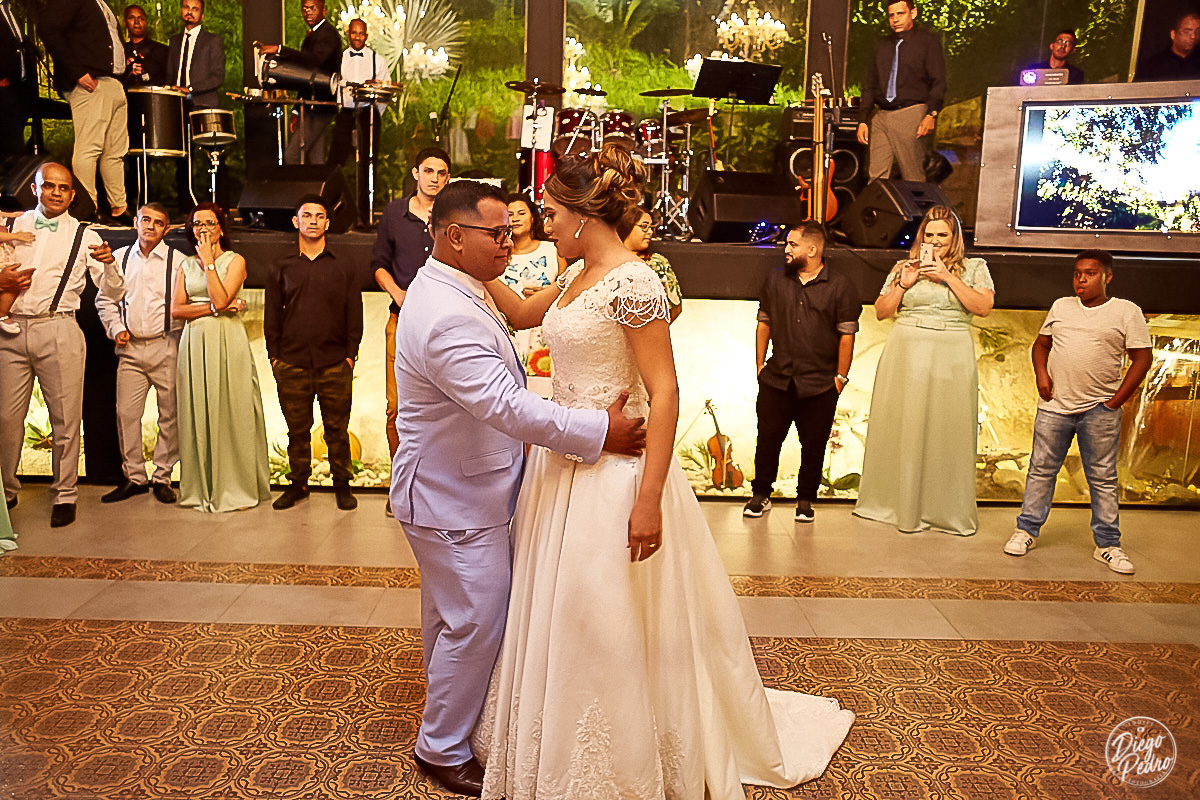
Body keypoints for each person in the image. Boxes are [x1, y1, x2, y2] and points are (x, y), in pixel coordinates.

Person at [477, 145, 854, 800]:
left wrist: (648, 498)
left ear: (583, 215)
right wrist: (465, 264)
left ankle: (624, 755)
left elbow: (666, 391)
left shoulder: (634, 282)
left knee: (609, 614)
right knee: (564, 612)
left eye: (552, 212)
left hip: (616, 473)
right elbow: (521, 313)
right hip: (562, 466)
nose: (544, 223)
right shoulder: (574, 274)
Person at [388, 178, 647, 797]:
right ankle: (440, 748)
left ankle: (450, 723)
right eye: (497, 233)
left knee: (451, 618)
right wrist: (598, 430)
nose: (510, 242)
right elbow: (505, 405)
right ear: (455, 237)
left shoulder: (456, 283)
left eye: (512, 230)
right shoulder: (446, 314)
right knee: (476, 620)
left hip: (453, 486)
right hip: (451, 497)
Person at [1006, 250, 1152, 574]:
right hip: (1055, 407)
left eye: (1090, 273)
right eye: (1077, 273)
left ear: (1107, 277)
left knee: (1102, 477)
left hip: (1100, 409)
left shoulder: (1126, 311)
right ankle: (1026, 530)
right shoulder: (1061, 306)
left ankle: (1108, 545)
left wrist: (1116, 401)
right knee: (1041, 470)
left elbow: (1142, 358)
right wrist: (1041, 375)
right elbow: (1041, 344)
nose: (1081, 279)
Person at [854, 205, 994, 536]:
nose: (934, 240)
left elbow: (983, 307)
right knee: (902, 423)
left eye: (942, 235)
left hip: (951, 352)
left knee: (948, 426)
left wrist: (946, 276)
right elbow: (881, 311)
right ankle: (896, 504)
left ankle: (943, 509)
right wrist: (903, 285)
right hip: (906, 350)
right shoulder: (904, 266)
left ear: (954, 238)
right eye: (929, 234)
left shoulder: (974, 267)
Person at [0, 163, 123, 528]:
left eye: (63, 188)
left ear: (72, 195)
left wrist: (110, 265)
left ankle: (65, 493)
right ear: (35, 189)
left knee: (66, 419)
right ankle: (6, 490)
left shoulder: (85, 235)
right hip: (10, 329)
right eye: (48, 186)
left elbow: (114, 291)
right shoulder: (12, 227)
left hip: (59, 328)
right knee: (6, 419)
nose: (56, 192)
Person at [743, 222, 859, 523]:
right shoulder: (775, 280)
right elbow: (764, 321)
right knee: (767, 440)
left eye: (793, 244)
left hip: (820, 383)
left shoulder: (840, 285)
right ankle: (760, 494)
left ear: (812, 249)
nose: (786, 249)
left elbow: (847, 335)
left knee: (814, 444)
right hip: (776, 378)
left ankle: (806, 499)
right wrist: (759, 365)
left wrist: (840, 377)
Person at [171, 202, 271, 512]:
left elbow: (220, 295)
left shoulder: (235, 261)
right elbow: (177, 310)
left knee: (233, 406)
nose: (203, 228)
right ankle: (202, 486)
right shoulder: (185, 266)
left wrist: (210, 264)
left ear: (220, 228)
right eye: (197, 223)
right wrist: (216, 309)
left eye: (209, 223)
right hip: (195, 341)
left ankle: (236, 484)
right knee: (198, 408)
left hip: (228, 340)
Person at [266, 196, 363, 512]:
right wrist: (274, 357)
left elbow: (354, 313)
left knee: (337, 430)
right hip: (291, 362)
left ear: (327, 223)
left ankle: (342, 485)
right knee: (297, 431)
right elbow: (271, 315)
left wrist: (350, 355)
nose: (312, 221)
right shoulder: (280, 265)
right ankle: (298, 485)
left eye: (319, 216)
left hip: (335, 362)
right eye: (306, 215)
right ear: (296, 221)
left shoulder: (344, 265)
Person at [95, 202, 183, 505]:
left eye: (158, 222)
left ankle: (162, 477)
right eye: (146, 220)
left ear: (166, 229)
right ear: (135, 222)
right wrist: (116, 328)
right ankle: (134, 477)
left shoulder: (178, 262)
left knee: (170, 415)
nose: (150, 226)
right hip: (129, 349)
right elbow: (105, 301)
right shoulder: (118, 259)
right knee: (126, 414)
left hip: (166, 344)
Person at [373, 147, 450, 489]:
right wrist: (398, 293)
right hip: (401, 320)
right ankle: (402, 484)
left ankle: (438, 484)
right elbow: (378, 263)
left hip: (445, 322)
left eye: (441, 173)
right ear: (416, 173)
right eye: (428, 171)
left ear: (448, 178)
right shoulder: (394, 212)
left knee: (445, 407)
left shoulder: (453, 214)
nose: (434, 178)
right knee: (397, 408)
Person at [38, 0, 131, 222]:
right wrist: (76, 71)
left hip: (114, 82)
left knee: (115, 152)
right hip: (91, 84)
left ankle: (118, 207)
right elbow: (47, 28)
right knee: (89, 148)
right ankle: (86, 209)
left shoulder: (102, 4)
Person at [856, 0, 946, 183]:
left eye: (900, 13)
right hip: (882, 115)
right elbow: (869, 83)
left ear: (913, 13)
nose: (895, 19)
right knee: (876, 177)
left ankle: (921, 203)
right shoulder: (881, 45)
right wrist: (863, 119)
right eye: (891, 15)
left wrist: (932, 114)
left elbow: (938, 81)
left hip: (911, 113)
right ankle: (878, 202)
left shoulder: (927, 42)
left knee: (913, 176)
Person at [259, 0, 342, 165]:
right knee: (315, 160)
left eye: (312, 8)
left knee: (292, 156)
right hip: (311, 106)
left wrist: (280, 50)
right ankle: (317, 183)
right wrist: (297, 110)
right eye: (305, 9)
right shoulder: (313, 34)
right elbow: (305, 78)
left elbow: (313, 61)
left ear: (323, 11)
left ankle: (291, 183)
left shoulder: (327, 33)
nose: (308, 12)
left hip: (319, 106)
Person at [497, 193, 565, 388]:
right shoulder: (498, 254)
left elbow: (568, 292)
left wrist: (546, 295)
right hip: (507, 334)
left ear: (533, 217)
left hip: (543, 336)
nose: (515, 218)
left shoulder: (553, 250)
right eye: (510, 214)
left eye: (521, 213)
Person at [166, 0, 225, 213]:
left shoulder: (213, 40)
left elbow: (218, 76)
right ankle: (185, 208)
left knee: (213, 156)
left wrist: (189, 88)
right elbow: (170, 74)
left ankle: (220, 206)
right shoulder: (174, 41)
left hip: (203, 104)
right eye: (186, 7)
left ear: (202, 15)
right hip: (178, 105)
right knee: (182, 157)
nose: (190, 12)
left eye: (195, 9)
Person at [328, 18, 389, 223]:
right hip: (345, 113)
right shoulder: (339, 59)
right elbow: (332, 86)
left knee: (368, 163)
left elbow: (385, 91)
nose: (357, 37)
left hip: (368, 113)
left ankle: (365, 215)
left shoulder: (377, 60)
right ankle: (334, 211)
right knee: (336, 161)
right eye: (354, 33)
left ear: (366, 36)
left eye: (361, 33)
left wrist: (374, 113)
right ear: (348, 34)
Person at [616, 205, 683, 322]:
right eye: (644, 226)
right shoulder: (608, 261)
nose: (650, 232)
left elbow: (675, 307)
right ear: (627, 226)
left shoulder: (657, 263)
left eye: (651, 227)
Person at [0, 0, 36, 159]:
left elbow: (18, 40)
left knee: (14, 135)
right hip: (4, 84)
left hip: (18, 82)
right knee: (11, 141)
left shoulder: (8, 8)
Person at [1136, 10, 1200, 81]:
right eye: (1187, 31)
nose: (1193, 36)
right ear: (1173, 34)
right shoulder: (1151, 66)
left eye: (1198, 31)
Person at [121, 5, 170, 90]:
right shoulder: (121, 51)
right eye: (132, 18)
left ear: (146, 22)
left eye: (141, 18)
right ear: (125, 22)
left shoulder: (161, 50)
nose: (137, 22)